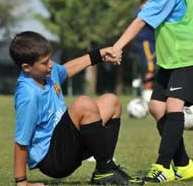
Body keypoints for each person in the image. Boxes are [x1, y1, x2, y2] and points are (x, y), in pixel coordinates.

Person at [108, 0, 193, 183]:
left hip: (188, 56)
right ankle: (184, 165)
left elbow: (141, 20)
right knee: (156, 107)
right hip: (170, 60)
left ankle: (163, 166)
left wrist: (117, 47)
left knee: (174, 105)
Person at [9, 31, 143, 186]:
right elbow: (21, 140)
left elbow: (67, 69)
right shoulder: (28, 95)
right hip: (53, 160)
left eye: (50, 59)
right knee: (83, 104)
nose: (51, 64)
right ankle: (107, 170)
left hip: (69, 145)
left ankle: (103, 171)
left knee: (111, 102)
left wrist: (99, 55)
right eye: (45, 62)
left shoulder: (47, 73)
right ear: (26, 67)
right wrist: (21, 182)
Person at [134, 0, 156, 102]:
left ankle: (144, 88)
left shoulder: (146, 10)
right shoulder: (142, 10)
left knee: (152, 68)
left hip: (151, 42)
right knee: (150, 67)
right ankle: (147, 96)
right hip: (146, 42)